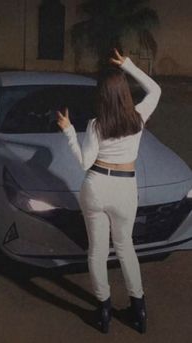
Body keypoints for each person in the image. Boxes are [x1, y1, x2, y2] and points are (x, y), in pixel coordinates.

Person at [56, 49, 161, 334]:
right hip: (125, 188)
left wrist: (68, 130)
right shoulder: (138, 117)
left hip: (96, 186)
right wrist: (128, 65)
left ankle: (103, 314)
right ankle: (139, 313)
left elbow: (84, 163)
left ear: (101, 96)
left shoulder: (96, 125)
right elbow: (156, 89)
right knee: (126, 247)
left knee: (98, 252)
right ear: (125, 93)